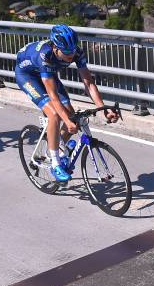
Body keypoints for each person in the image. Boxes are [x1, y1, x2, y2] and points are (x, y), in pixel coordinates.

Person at [15, 24, 118, 182]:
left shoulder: (76, 52)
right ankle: (55, 164)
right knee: (55, 115)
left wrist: (102, 108)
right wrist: (66, 120)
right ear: (55, 47)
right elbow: (53, 96)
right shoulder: (46, 55)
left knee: (71, 115)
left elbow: (89, 83)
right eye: (66, 52)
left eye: (72, 51)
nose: (71, 55)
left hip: (48, 74)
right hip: (28, 76)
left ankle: (57, 147)